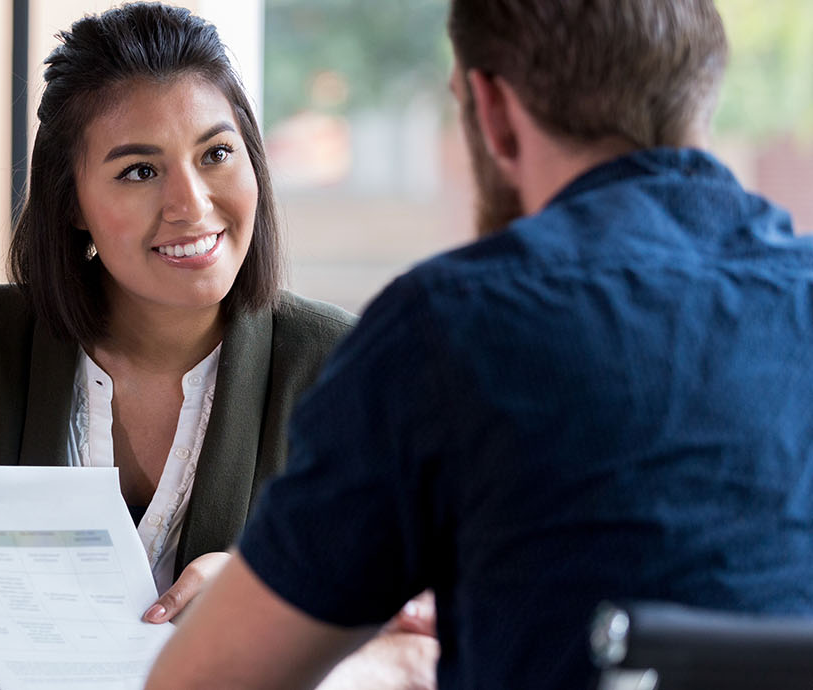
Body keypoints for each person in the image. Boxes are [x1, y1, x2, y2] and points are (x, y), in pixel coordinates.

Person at [0, 3, 432, 683]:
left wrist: (270, 597)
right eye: (139, 170)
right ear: (70, 202)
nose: (192, 204)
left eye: (216, 153)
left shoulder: (338, 363)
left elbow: (431, 621)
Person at [148, 1, 813, 689]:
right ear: (706, 83)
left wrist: (391, 653)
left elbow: (202, 681)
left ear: (490, 108)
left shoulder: (450, 327)